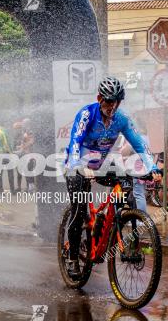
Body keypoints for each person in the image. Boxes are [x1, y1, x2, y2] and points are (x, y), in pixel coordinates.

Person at [64, 77, 162, 277]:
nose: (113, 106)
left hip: (101, 165)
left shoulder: (121, 119)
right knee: (79, 210)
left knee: (126, 183)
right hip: (77, 167)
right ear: (99, 98)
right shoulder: (86, 114)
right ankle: (73, 259)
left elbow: (139, 144)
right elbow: (75, 141)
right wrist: (77, 165)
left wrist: (152, 167)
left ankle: (114, 225)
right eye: (109, 101)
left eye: (117, 101)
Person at [0, 124, 16, 194]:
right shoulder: (3, 132)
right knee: (10, 172)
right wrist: (11, 153)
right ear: (3, 126)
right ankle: (12, 190)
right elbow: (6, 144)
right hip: (5, 154)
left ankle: (1, 191)